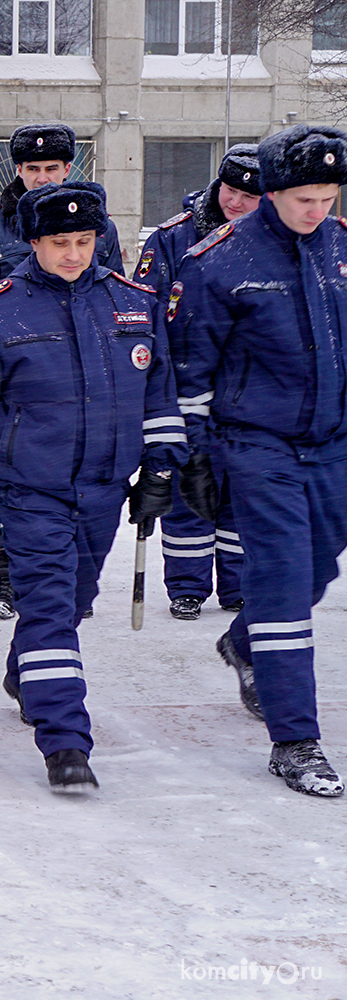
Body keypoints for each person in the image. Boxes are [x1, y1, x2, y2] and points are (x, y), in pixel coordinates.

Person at [0, 182, 184, 793]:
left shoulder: (134, 304)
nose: (74, 254)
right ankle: (65, 742)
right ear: (33, 242)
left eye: (84, 241)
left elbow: (159, 395)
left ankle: (25, 672)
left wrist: (160, 467)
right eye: (60, 242)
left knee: (72, 603)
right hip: (29, 490)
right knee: (51, 608)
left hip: (106, 486)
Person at [174, 124, 347, 798]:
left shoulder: (341, 250)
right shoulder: (219, 261)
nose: (316, 211)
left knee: (319, 569)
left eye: (327, 198)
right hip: (257, 445)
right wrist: (192, 455)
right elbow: (189, 371)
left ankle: (246, 644)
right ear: (272, 192)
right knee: (279, 583)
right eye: (305, 197)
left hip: (332, 444)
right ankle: (295, 740)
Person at [0, 123, 126, 622]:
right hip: (13, 378)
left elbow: (113, 295)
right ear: (17, 170)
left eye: (52, 169)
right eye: (32, 169)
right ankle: (10, 579)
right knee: (14, 486)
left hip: (81, 375)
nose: (43, 179)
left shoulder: (98, 226)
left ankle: (63, 585)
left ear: (69, 169)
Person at [134, 143, 259, 621]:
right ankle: (186, 586)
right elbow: (145, 311)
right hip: (184, 380)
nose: (235, 203)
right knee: (188, 486)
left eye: (248, 197)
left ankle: (238, 584)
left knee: (241, 492)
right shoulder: (172, 238)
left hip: (248, 388)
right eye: (229, 191)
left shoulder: (274, 238)